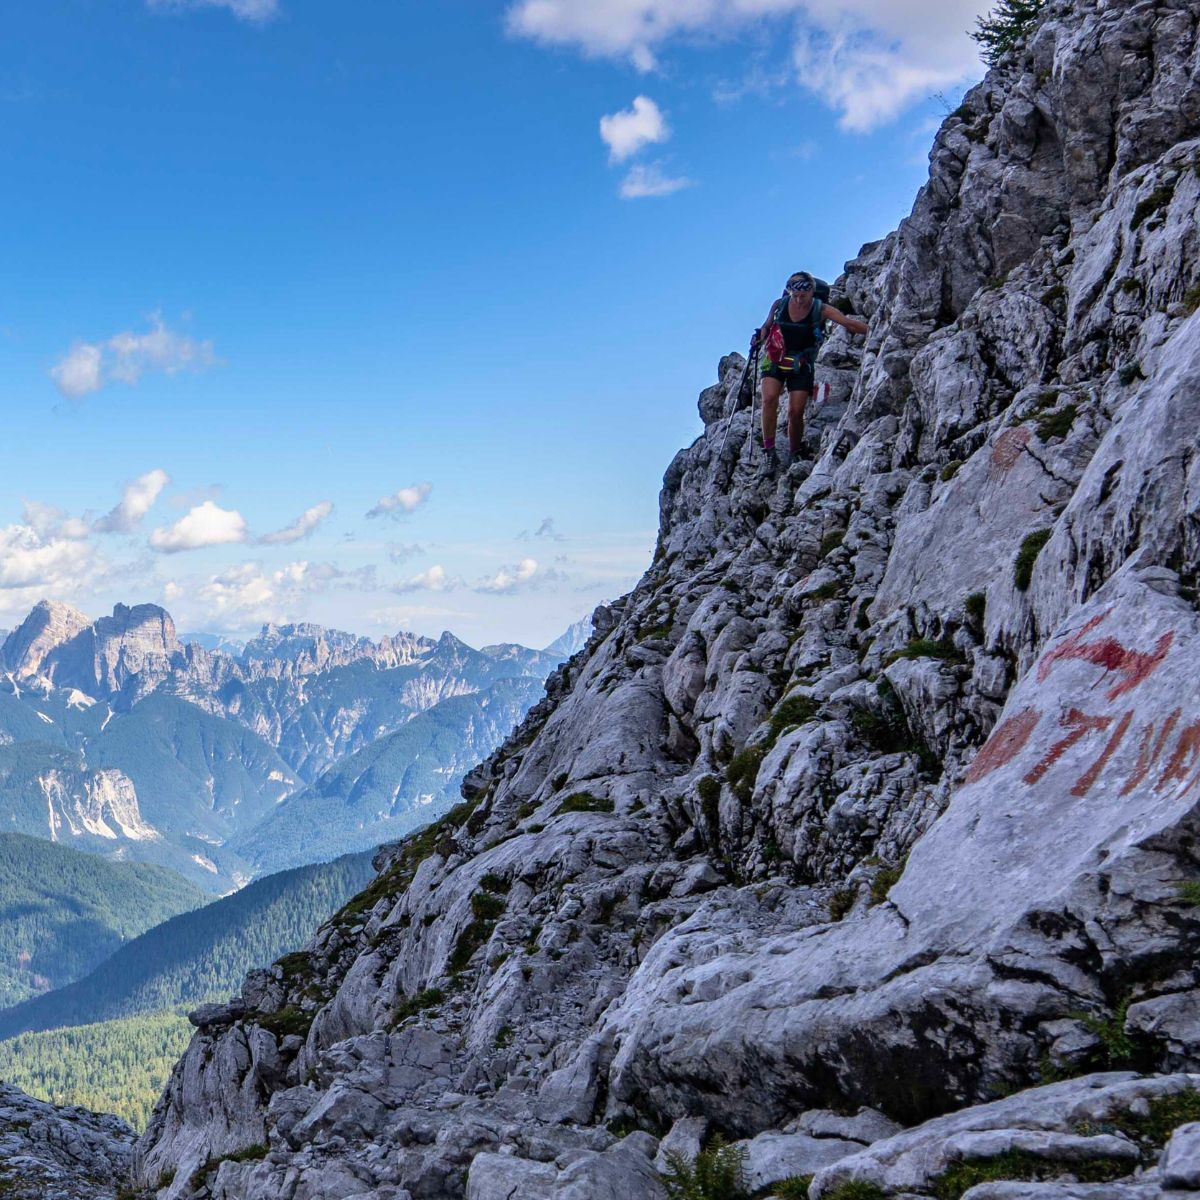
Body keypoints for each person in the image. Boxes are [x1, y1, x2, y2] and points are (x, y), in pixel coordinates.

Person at [756, 271, 868, 471]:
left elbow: (848, 323)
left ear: (812, 292)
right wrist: (760, 336)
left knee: (796, 411)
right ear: (789, 292)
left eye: (803, 296)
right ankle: (769, 452)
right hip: (774, 358)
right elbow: (766, 326)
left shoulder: (821, 309)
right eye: (795, 295)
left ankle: (794, 451)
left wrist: (875, 329)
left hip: (801, 364)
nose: (799, 300)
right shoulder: (779, 305)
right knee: (769, 399)